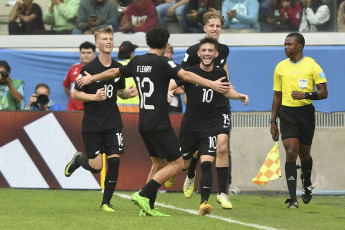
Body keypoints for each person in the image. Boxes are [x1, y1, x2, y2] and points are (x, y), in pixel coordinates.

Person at [77, 27, 230, 216]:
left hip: (144, 123)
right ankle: (143, 194)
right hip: (159, 123)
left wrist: (93, 78)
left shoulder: (137, 61)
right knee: (178, 164)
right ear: (166, 45)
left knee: (158, 164)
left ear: (148, 42)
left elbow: (114, 72)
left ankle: (146, 207)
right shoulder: (164, 63)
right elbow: (188, 76)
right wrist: (212, 84)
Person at [169, 37, 248, 215]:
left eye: (210, 51)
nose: (206, 54)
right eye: (203, 51)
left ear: (216, 54)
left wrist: (239, 96)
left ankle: (204, 203)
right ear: (198, 53)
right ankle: (186, 172)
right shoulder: (189, 72)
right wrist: (168, 92)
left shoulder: (220, 73)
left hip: (209, 125)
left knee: (206, 164)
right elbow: (172, 84)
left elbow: (227, 90)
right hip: (190, 126)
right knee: (183, 162)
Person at [64, 27, 138, 212]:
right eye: (104, 38)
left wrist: (126, 94)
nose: (108, 41)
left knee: (114, 161)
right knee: (96, 167)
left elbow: (119, 91)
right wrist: (93, 97)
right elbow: (75, 93)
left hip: (113, 122)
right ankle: (78, 160)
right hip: (93, 124)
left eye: (111, 38)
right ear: (97, 43)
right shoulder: (89, 69)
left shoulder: (118, 67)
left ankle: (106, 203)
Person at [177, 8, 234, 210]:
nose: (215, 29)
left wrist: (231, 87)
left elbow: (223, 70)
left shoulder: (224, 50)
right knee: (195, 151)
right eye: (212, 25)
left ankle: (223, 193)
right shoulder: (194, 51)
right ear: (205, 28)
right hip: (200, 106)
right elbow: (183, 75)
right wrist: (184, 93)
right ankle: (191, 173)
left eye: (218, 26)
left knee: (222, 147)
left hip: (220, 106)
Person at [270, 32, 328, 209]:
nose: (286, 47)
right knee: (291, 151)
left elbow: (324, 92)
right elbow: (277, 95)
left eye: (289, 44)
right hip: (286, 114)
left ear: (299, 47)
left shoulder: (312, 65)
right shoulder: (280, 67)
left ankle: (307, 180)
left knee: (304, 154)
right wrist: (272, 121)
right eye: (285, 44)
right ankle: (292, 198)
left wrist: (306, 95)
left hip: (306, 114)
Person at [63, 41, 96, 111]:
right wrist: (76, 97)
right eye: (83, 53)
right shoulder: (73, 68)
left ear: (94, 55)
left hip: (92, 111)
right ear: (80, 54)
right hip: (73, 110)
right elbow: (66, 87)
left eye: (89, 53)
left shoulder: (99, 69)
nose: (86, 55)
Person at [116, 41, 140, 112]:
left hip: (118, 109)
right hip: (136, 109)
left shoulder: (114, 67)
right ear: (131, 53)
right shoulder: (137, 66)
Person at [164, 43, 184, 113]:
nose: (165, 55)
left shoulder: (178, 68)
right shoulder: (156, 67)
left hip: (174, 105)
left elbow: (182, 90)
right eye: (164, 52)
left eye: (168, 52)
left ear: (172, 54)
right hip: (159, 104)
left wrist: (165, 89)